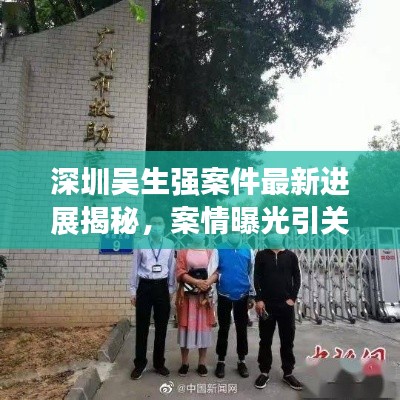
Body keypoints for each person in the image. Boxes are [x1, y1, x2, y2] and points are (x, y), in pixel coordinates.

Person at [253, 232, 303, 390]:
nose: (275, 236)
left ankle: (288, 373)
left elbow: (297, 277)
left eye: (277, 234)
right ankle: (264, 372)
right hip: (267, 305)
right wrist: (259, 299)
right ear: (267, 237)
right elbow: (256, 278)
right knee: (265, 340)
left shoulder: (291, 256)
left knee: (287, 340)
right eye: (272, 234)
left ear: (283, 237)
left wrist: (292, 298)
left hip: (285, 305)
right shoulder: (261, 255)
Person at [129, 215, 176, 380]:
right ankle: (140, 364)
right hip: (145, 286)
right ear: (150, 226)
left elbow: (171, 267)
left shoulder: (169, 244)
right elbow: (134, 268)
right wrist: (133, 291)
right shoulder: (141, 244)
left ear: (164, 226)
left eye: (159, 223)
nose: (156, 226)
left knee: (161, 327)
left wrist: (171, 289)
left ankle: (159, 363)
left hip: (162, 287)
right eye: (154, 223)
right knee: (142, 327)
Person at [209, 230, 256, 379]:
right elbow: (212, 271)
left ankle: (242, 361)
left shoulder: (248, 249)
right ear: (227, 233)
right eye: (231, 232)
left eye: (237, 232)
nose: (234, 234)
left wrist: (252, 295)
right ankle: (221, 361)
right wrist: (210, 294)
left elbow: (252, 273)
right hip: (224, 294)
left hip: (243, 295)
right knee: (223, 329)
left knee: (242, 329)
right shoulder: (219, 249)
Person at [175, 227, 219, 377]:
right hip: (187, 298)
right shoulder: (183, 251)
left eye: (201, 231)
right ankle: (184, 363)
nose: (198, 234)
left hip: (203, 299)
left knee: (204, 328)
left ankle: (202, 363)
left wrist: (207, 283)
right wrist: (196, 282)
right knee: (185, 328)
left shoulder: (211, 252)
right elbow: (180, 271)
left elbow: (216, 271)